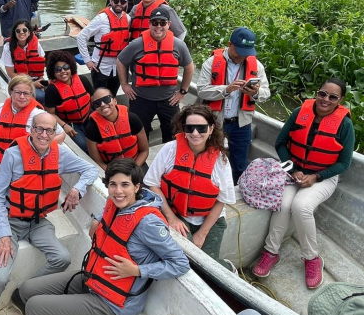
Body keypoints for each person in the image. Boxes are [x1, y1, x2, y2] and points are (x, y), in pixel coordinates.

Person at [14, 158, 189, 315]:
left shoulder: (148, 223)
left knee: (33, 307)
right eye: (113, 184)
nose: (118, 191)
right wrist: (97, 220)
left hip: (113, 307)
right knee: (26, 289)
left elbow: (180, 264)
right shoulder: (115, 203)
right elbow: (110, 214)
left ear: (137, 187)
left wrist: (137, 271)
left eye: (125, 185)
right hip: (93, 278)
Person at [0, 112, 99, 315]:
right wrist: (4, 235)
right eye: (39, 129)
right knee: (0, 277)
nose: (44, 134)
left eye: (49, 130)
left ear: (55, 133)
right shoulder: (13, 154)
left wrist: (77, 189)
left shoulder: (60, 154)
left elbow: (91, 169)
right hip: (9, 220)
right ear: (31, 129)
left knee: (62, 258)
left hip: (38, 222)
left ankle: (23, 292)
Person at [252, 78, 354, 289]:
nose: (325, 99)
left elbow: (344, 162)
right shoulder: (300, 112)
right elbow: (280, 143)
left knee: (301, 206)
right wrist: (294, 169)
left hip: (323, 176)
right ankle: (271, 252)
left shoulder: (345, 124)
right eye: (322, 94)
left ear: (340, 100)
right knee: (284, 203)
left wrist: (316, 176)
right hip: (294, 171)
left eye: (332, 97)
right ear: (317, 93)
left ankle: (312, 258)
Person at [144, 105, 237, 272]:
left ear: (211, 129)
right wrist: (171, 217)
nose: (195, 133)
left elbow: (222, 200)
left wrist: (202, 233)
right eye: (189, 128)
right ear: (183, 129)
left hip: (210, 219)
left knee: (209, 267)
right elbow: (152, 183)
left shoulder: (220, 160)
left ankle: (227, 268)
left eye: (201, 128)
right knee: (184, 258)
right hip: (177, 213)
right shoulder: (170, 150)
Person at [0, 75, 65, 218]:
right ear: (11, 92)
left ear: (32, 94)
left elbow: (60, 135)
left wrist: (39, 149)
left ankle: (4, 220)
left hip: (19, 166)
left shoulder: (39, 115)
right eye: (18, 92)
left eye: (27, 93)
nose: (22, 96)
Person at [197, 27, 270, 183]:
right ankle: (207, 187)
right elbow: (202, 91)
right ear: (230, 44)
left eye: (246, 52)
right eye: (239, 51)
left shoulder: (256, 65)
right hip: (215, 122)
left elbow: (266, 93)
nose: (242, 56)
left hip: (241, 123)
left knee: (239, 164)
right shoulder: (211, 63)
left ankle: (236, 191)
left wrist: (255, 93)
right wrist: (227, 89)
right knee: (210, 159)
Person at [117, 7, 194, 144]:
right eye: (155, 23)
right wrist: (124, 84)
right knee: (139, 134)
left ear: (168, 25)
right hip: (140, 99)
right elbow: (121, 61)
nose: (158, 26)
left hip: (169, 100)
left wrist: (183, 91)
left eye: (162, 23)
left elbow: (189, 67)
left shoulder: (179, 45)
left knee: (172, 135)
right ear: (149, 24)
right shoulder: (136, 44)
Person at [77, 0, 130, 95]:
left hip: (118, 67)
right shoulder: (101, 18)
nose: (119, 4)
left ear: (126, 3)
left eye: (122, 1)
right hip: (100, 67)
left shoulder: (128, 18)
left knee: (113, 95)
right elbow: (81, 36)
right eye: (116, 1)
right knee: (100, 96)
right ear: (110, 1)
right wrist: (88, 60)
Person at [85, 88, 149, 172]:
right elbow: (97, 161)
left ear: (115, 101)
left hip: (136, 164)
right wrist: (115, 174)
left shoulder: (132, 119)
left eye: (106, 99)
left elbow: (144, 150)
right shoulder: (92, 128)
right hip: (112, 170)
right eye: (97, 103)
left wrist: (134, 170)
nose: (103, 104)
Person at [44, 50, 93, 154]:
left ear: (71, 67)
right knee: (84, 146)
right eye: (58, 69)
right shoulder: (51, 90)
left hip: (88, 117)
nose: (63, 71)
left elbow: (94, 100)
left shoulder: (83, 80)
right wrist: (64, 125)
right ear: (53, 72)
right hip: (70, 123)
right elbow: (50, 114)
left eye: (66, 67)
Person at [1, 19, 47, 105]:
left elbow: (40, 64)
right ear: (15, 33)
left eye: (24, 30)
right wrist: (32, 84)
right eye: (18, 31)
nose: (21, 32)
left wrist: (41, 80)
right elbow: (11, 73)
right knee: (40, 96)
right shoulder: (8, 47)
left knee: (52, 92)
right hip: (18, 81)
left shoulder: (35, 43)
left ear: (29, 32)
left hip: (36, 79)